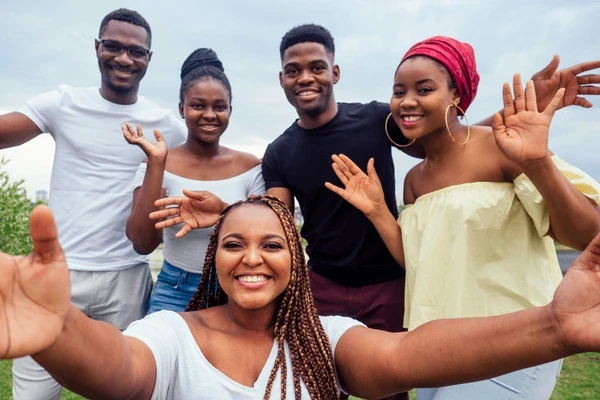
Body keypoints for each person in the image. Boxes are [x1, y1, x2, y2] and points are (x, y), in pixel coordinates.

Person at [150, 24, 600, 400]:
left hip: (391, 282)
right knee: (319, 384)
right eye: (293, 70)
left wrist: (511, 115)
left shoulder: (376, 119)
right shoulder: (281, 151)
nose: (305, 77)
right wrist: (228, 211)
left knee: (395, 378)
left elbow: (449, 136)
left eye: (316, 67)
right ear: (281, 79)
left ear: (335, 72)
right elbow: (277, 220)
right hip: (324, 284)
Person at [3, 195, 600, 400]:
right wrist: (60, 330)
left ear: (297, 261)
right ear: (216, 259)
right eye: (234, 243)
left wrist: (555, 327)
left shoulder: (325, 340)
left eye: (273, 244)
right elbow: (121, 371)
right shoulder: (174, 335)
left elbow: (409, 354)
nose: (254, 257)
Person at [325, 36, 600, 400]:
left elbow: (587, 233)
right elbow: (419, 262)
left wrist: (537, 163)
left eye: (424, 89)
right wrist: (378, 211)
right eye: (398, 91)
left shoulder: (500, 146)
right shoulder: (414, 180)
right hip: (437, 344)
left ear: (456, 94)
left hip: (516, 337)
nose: (407, 101)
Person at [0, 9, 186, 399]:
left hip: (127, 281)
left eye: (136, 51)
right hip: (56, 276)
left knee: (127, 392)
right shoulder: (62, 103)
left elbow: (206, 167)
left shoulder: (168, 125)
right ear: (97, 48)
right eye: (113, 47)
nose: (123, 58)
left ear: (149, 59)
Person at [125, 48, 265, 313]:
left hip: (236, 289)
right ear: (182, 108)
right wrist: (157, 164)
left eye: (219, 107)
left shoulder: (249, 167)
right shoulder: (157, 162)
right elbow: (143, 244)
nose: (209, 114)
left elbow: (269, 236)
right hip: (175, 290)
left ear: (230, 111)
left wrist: (225, 212)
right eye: (198, 105)